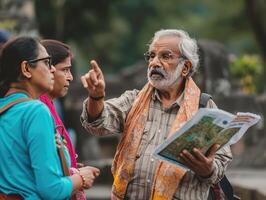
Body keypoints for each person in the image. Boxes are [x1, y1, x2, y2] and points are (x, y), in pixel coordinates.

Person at [80, 29, 233, 200]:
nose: (154, 62)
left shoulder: (204, 108)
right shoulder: (134, 100)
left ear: (185, 67)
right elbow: (98, 122)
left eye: (165, 56)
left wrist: (207, 169)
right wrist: (96, 97)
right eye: (151, 56)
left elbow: (221, 161)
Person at [0, 37, 99, 200]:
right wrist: (81, 178)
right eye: (46, 62)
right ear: (26, 68)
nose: (52, 69)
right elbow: (52, 190)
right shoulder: (36, 111)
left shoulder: (5, 108)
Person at [39, 39, 99, 200]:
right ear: (47, 70)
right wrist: (78, 176)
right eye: (64, 70)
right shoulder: (38, 110)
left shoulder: (49, 105)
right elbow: (43, 174)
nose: (70, 78)